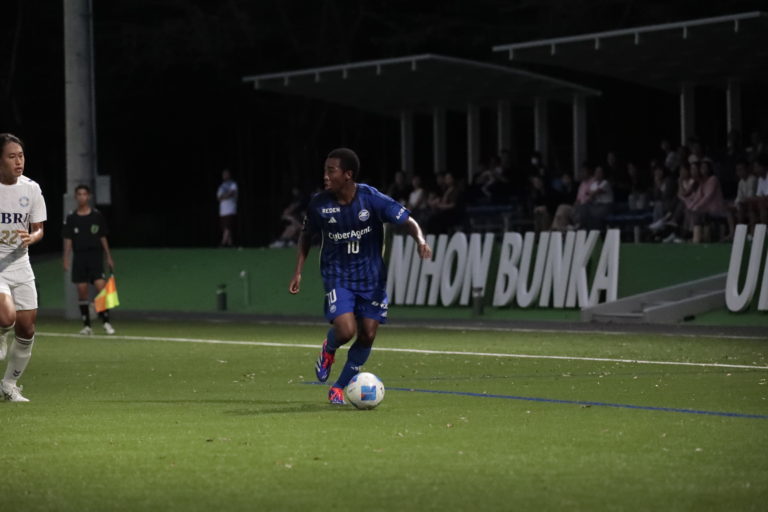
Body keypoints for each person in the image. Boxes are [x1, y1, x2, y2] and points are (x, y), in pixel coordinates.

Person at [288, 148, 432, 405]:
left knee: (367, 334)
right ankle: (329, 348)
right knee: (346, 331)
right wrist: (298, 270)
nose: (325, 176)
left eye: (331, 171)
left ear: (348, 174)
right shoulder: (319, 204)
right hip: (337, 276)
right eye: (325, 170)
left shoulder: (372, 199)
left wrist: (420, 240)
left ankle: (339, 387)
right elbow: (306, 235)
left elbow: (408, 221)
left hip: (371, 279)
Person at [0, 134, 46, 402]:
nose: (19, 161)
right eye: (11, 156)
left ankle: (9, 385)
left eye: (21, 156)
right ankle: (1, 333)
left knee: (27, 329)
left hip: (21, 263)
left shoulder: (31, 188)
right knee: (7, 317)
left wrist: (32, 237)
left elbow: (39, 228)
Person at [62, 184, 116, 335]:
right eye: (79, 194)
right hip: (79, 257)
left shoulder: (97, 215)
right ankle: (87, 326)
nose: (82, 197)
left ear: (89, 196)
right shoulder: (71, 217)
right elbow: (68, 239)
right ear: (75, 197)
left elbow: (102, 237)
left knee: (101, 288)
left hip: (95, 257)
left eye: (84, 194)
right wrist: (66, 258)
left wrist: (108, 256)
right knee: (82, 291)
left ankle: (106, 322)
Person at [216, 168, 238, 246]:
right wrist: (225, 196)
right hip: (223, 211)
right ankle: (230, 244)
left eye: (226, 174)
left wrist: (223, 196)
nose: (225, 176)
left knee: (228, 227)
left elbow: (232, 193)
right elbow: (218, 198)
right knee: (226, 228)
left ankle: (222, 243)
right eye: (223, 174)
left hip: (230, 209)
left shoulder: (233, 184)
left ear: (229, 175)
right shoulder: (221, 186)